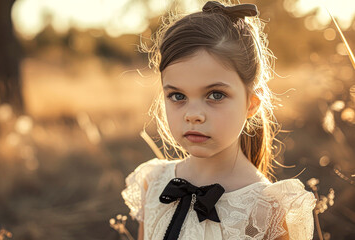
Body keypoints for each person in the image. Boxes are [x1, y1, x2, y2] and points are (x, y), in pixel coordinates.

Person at [121, 1, 317, 239]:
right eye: (177, 96)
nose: (193, 114)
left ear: (251, 104)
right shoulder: (152, 182)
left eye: (215, 95)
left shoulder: (270, 209)